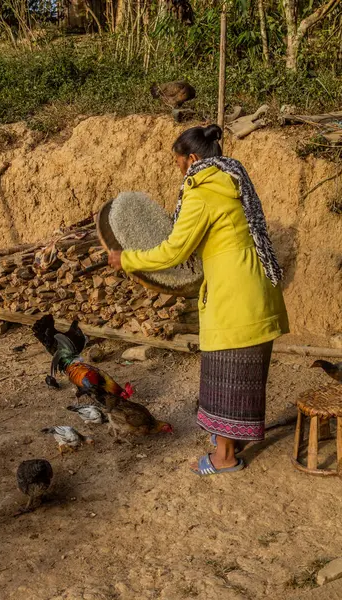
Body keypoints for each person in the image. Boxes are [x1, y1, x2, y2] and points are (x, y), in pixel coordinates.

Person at [108, 124, 289, 476]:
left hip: (234, 297)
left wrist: (127, 259)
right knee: (246, 375)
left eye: (179, 163)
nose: (180, 171)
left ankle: (225, 458)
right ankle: (233, 441)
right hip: (257, 290)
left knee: (224, 375)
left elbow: (175, 250)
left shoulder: (202, 190)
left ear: (192, 158)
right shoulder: (232, 178)